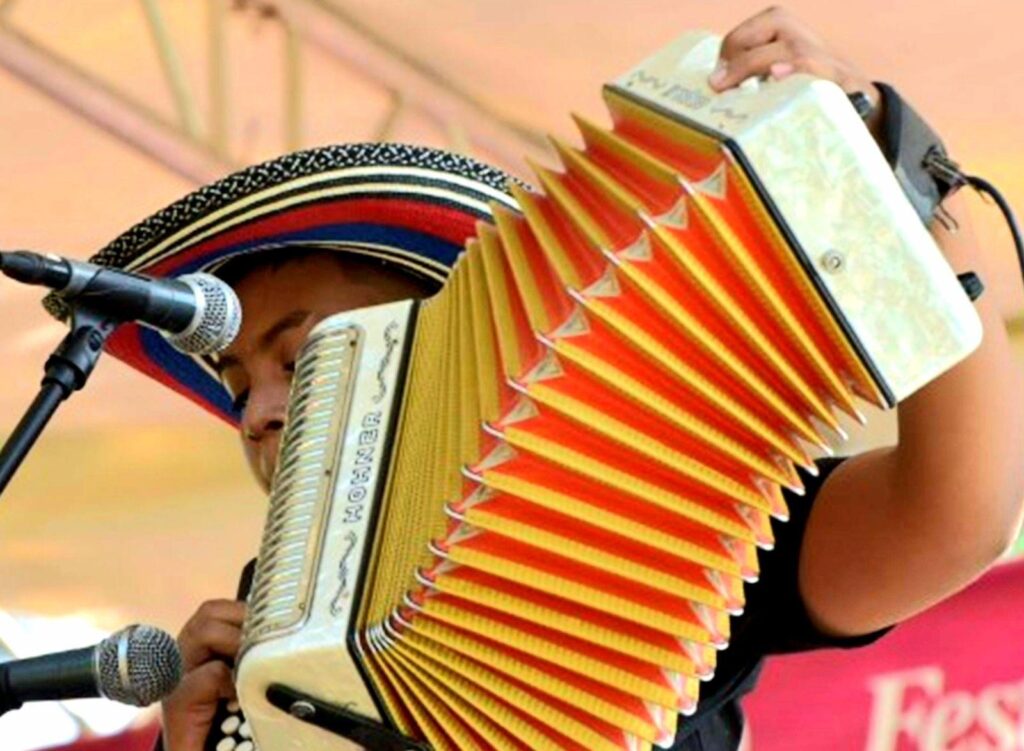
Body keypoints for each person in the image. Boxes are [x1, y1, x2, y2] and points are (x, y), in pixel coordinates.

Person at [47, 8, 1022, 751]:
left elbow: (952, 515)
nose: (254, 409)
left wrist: (906, 172)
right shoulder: (271, 615)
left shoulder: (652, 498)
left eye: (297, 358)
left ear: (456, 330)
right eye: (237, 379)